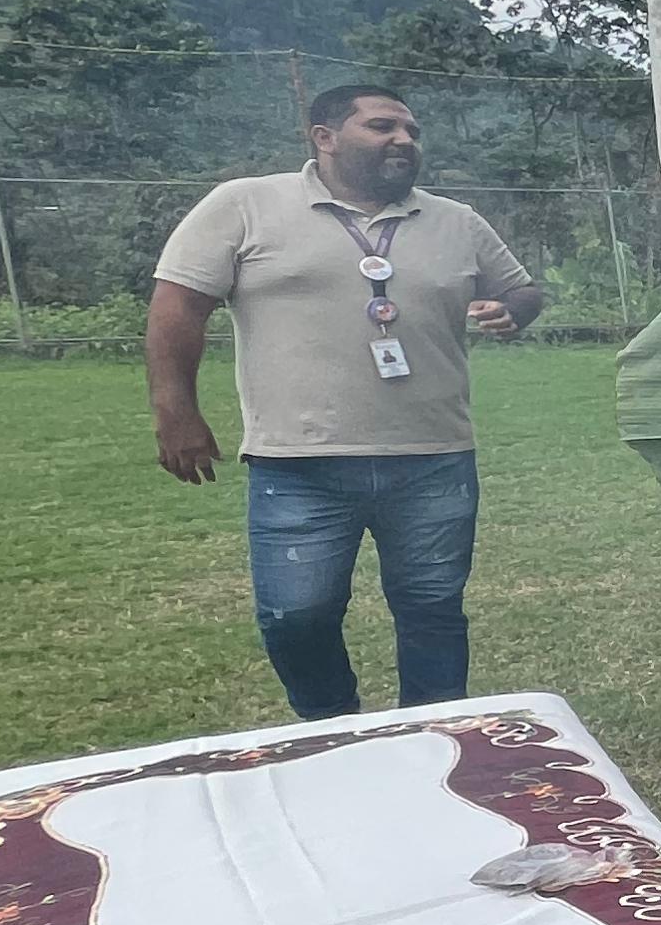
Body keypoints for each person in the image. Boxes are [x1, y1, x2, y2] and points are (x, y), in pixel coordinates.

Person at [147, 83, 544, 720]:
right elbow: (178, 307)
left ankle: (432, 731)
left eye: (411, 131)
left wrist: (512, 310)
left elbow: (522, 288)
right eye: (383, 127)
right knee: (296, 616)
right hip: (298, 462)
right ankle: (331, 729)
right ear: (324, 137)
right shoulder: (246, 204)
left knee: (433, 609)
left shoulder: (455, 220)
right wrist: (176, 412)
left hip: (434, 456)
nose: (403, 140)